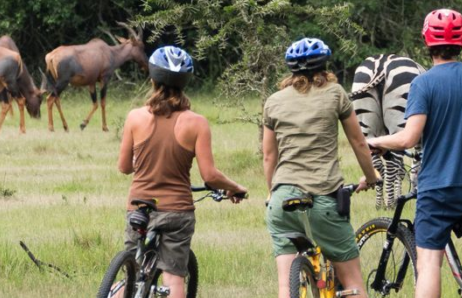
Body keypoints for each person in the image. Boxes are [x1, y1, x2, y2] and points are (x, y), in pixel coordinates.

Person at [365, 9, 462, 298]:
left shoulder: (423, 83)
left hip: (438, 188)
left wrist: (377, 141)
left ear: (426, 42)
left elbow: (408, 138)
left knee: (429, 262)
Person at [117, 45, 248, 298]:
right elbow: (209, 176)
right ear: (186, 82)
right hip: (177, 211)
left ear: (152, 78)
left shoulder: (135, 117)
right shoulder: (197, 123)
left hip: (139, 208)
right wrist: (235, 187)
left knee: (131, 274)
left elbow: (124, 168)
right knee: (174, 276)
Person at [263, 37, 379, 298]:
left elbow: (269, 156)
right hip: (323, 198)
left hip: (282, 200)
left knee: (285, 286)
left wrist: (271, 192)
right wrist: (371, 176)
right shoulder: (335, 94)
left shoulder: (273, 101)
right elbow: (359, 142)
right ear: (325, 66)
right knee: (353, 282)